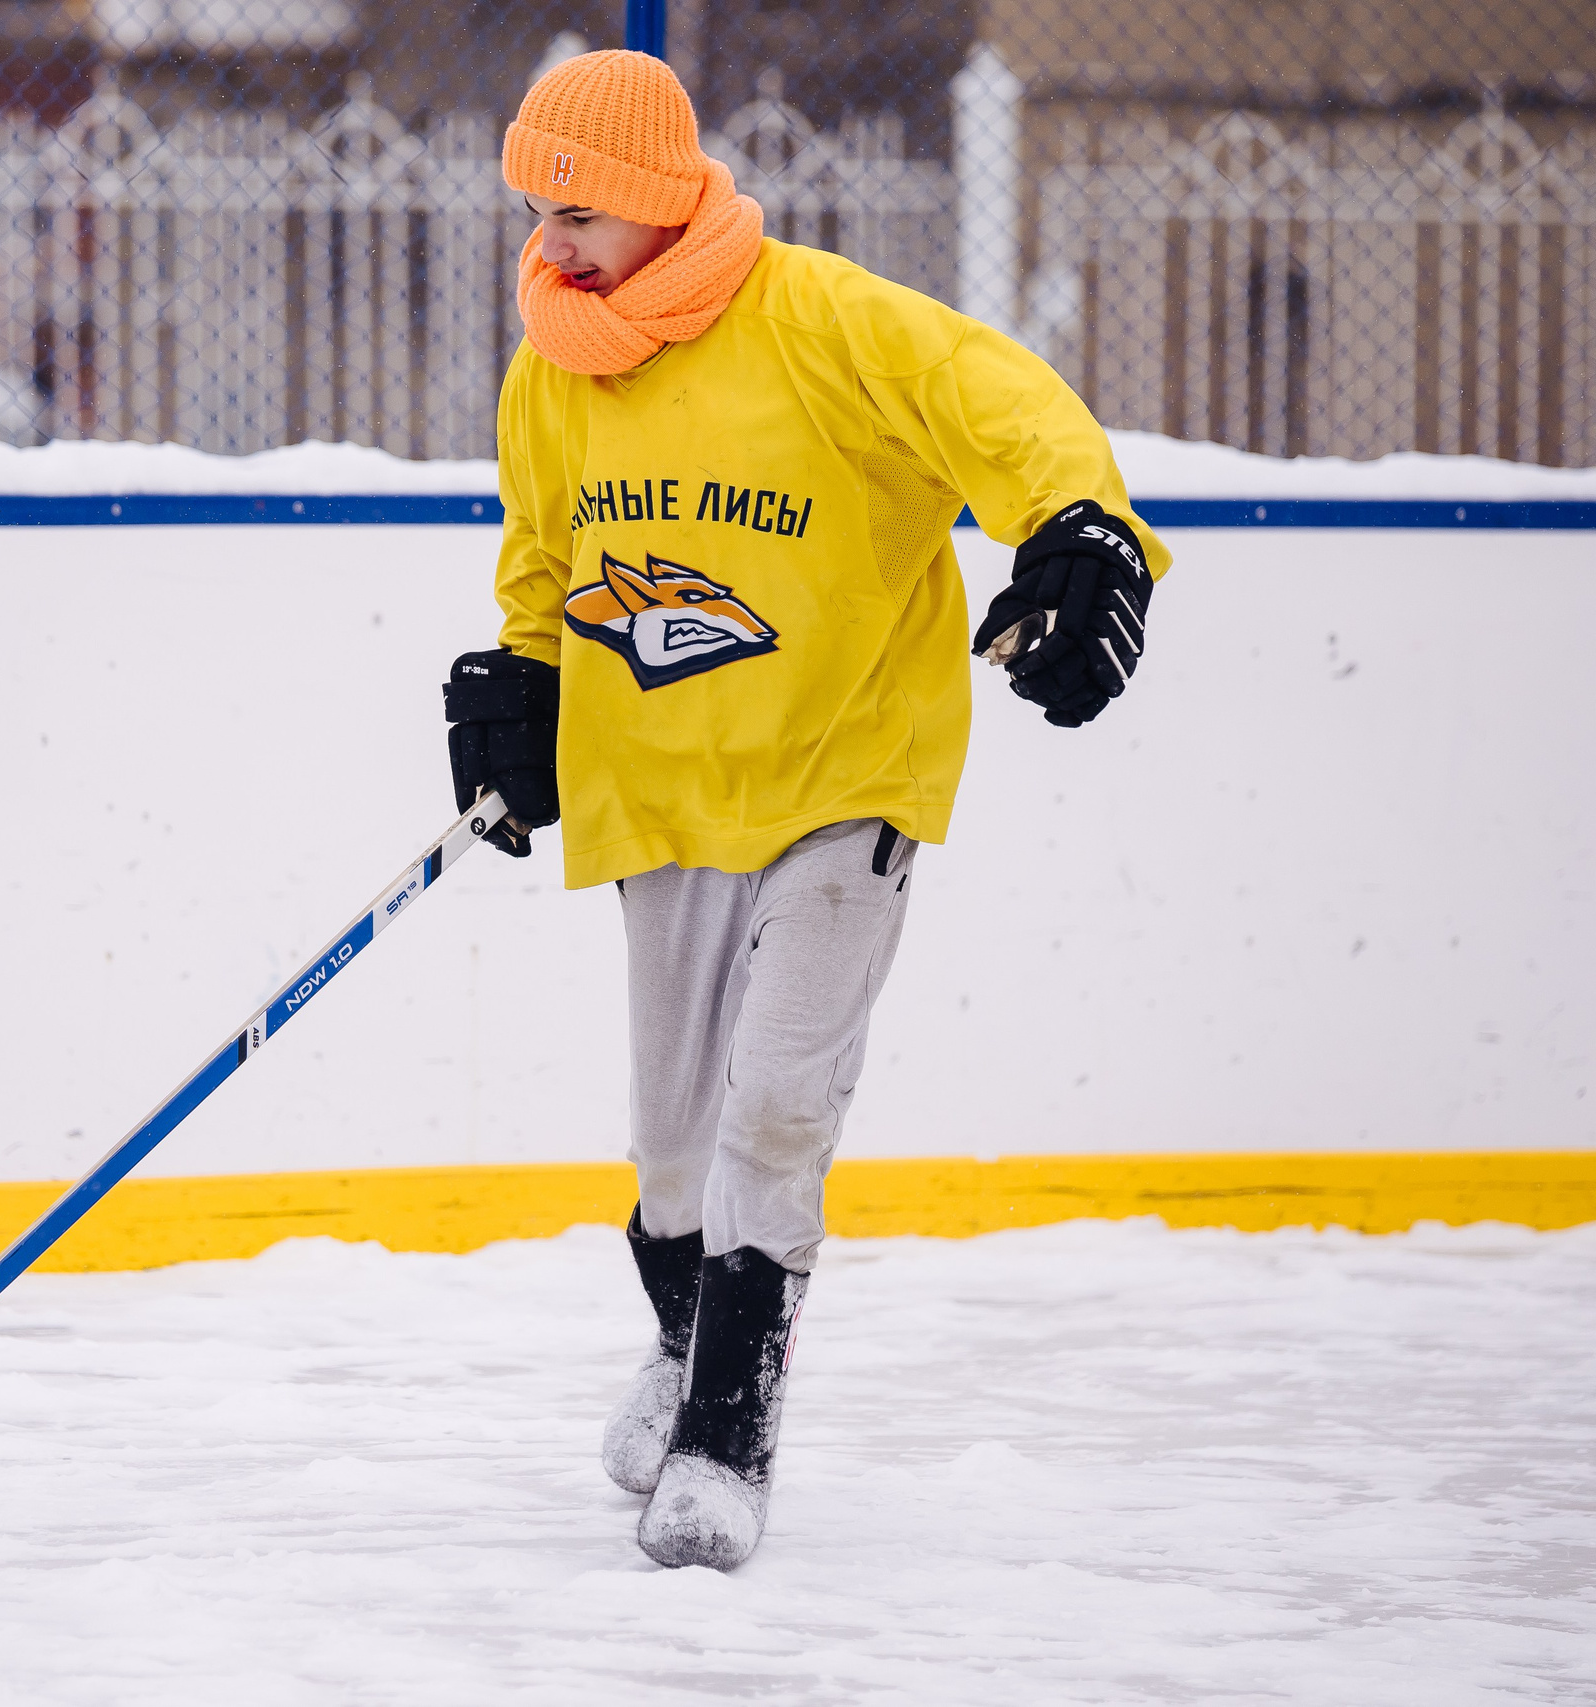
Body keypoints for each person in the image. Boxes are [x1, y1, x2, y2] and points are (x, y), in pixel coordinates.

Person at [441, 50, 1169, 1572]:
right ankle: (687, 1345)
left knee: (777, 1104)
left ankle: (728, 1435)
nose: (550, 238)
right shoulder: (553, 369)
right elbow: (541, 559)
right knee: (670, 1156)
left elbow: (999, 402)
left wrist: (1081, 528)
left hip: (846, 778)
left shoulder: (822, 321)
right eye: (534, 208)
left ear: (649, 196)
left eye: (575, 208)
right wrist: (517, 688)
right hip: (665, 794)